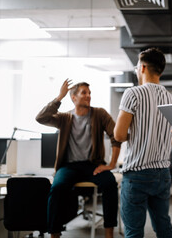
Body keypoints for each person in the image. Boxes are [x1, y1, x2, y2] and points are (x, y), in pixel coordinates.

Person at [36, 80, 119, 238]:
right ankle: (54, 233)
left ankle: (109, 233)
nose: (88, 96)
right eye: (84, 93)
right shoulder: (65, 118)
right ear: (73, 98)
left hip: (92, 165)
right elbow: (41, 118)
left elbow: (116, 136)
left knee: (110, 183)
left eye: (89, 93)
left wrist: (112, 164)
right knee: (56, 188)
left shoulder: (99, 114)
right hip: (69, 166)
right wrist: (59, 97)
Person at [113, 48, 172, 238]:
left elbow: (118, 135)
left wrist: (138, 132)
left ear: (142, 67)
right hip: (163, 174)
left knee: (133, 231)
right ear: (161, 71)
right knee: (163, 227)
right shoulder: (171, 99)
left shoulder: (133, 94)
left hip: (137, 174)